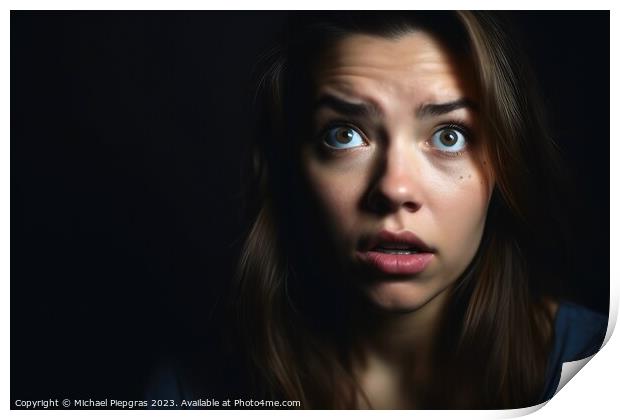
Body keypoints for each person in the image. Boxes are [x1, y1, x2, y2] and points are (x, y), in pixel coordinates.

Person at [146, 11, 608, 410]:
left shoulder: (595, 374)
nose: (394, 188)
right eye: (344, 134)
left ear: (506, 165)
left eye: (450, 135)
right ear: (288, 165)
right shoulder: (189, 395)